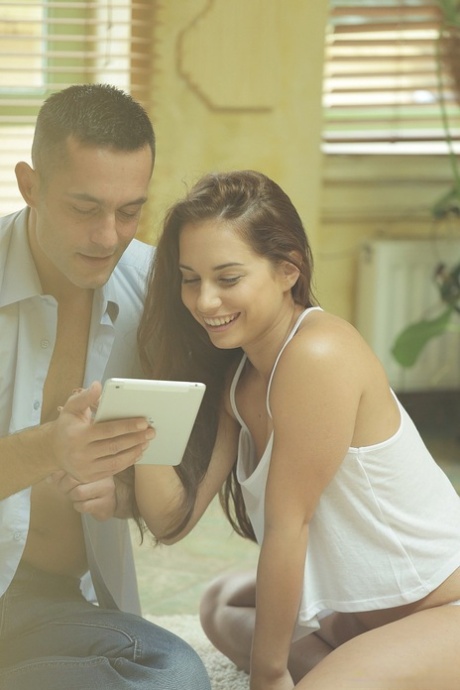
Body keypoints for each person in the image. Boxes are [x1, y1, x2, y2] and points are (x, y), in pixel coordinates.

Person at [136, 169, 460, 690]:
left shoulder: (318, 353)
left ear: (289, 269)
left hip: (441, 610)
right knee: (220, 603)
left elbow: (289, 527)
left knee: (287, 665)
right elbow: (172, 520)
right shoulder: (240, 379)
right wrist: (141, 429)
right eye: (190, 278)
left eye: (228, 278)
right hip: (355, 618)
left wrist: (267, 677)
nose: (204, 301)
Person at [0, 84, 211, 690]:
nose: (108, 237)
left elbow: (187, 475)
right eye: (85, 208)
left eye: (129, 211)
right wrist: (50, 447)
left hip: (52, 602)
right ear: (30, 184)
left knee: (175, 676)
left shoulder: (157, 290)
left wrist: (126, 496)